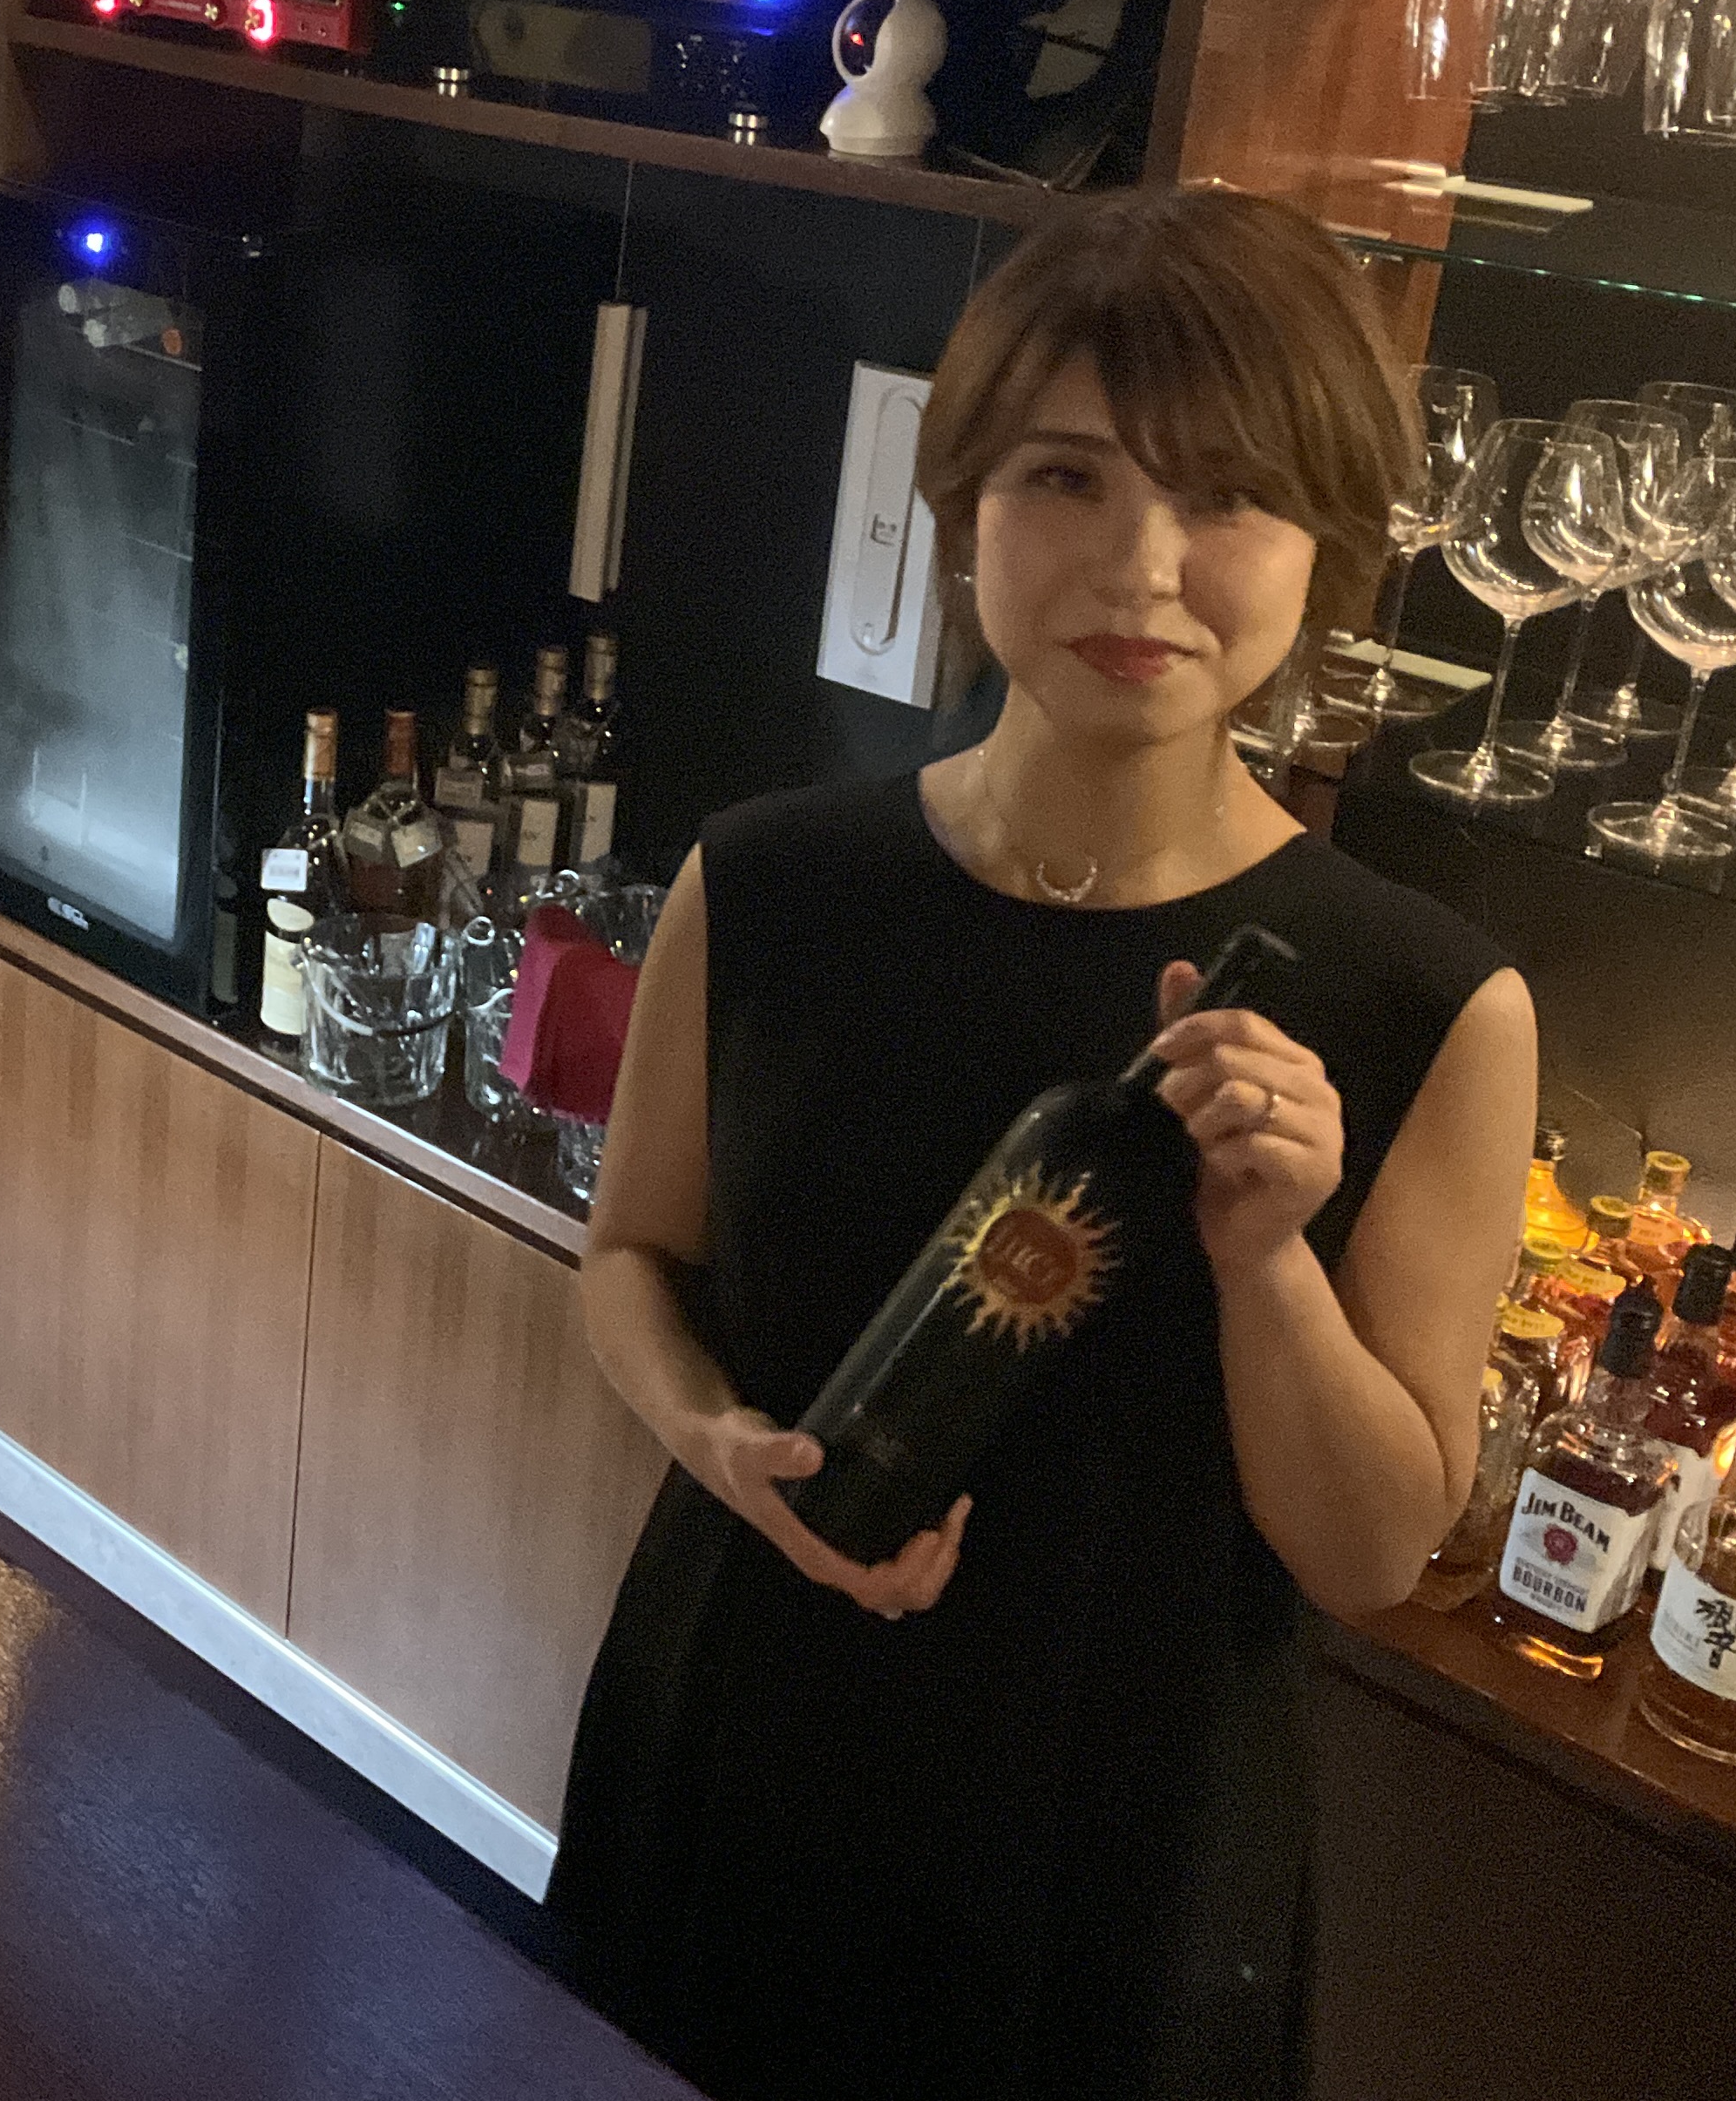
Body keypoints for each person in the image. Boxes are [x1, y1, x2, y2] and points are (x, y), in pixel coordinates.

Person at [545, 188, 1535, 2101]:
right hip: (746, 1726)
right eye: (1068, 476)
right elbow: (630, 1257)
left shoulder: (1432, 1004)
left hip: (1123, 1833)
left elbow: (1369, 1550)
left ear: (1325, 551)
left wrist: (1265, 1256)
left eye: (1230, 496)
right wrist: (717, 1442)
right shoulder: (770, 883)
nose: (1142, 566)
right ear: (965, 504)